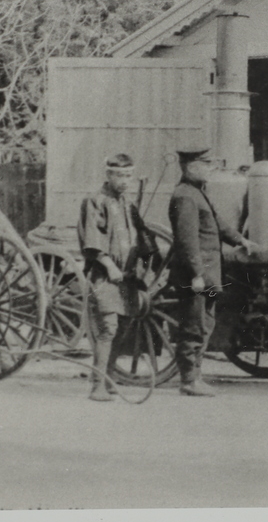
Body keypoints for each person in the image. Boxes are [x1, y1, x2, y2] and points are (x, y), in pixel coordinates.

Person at [167, 146, 257, 396]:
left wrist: (241, 240)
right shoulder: (185, 196)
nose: (209, 169)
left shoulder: (198, 193)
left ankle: (196, 376)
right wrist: (196, 274)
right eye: (205, 165)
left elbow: (217, 223)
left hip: (207, 275)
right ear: (190, 167)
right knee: (193, 327)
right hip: (195, 276)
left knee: (205, 325)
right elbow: (187, 242)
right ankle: (188, 380)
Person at [77, 153, 158, 402]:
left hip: (128, 277)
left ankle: (109, 378)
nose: (125, 181)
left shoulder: (127, 204)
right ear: (108, 175)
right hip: (105, 277)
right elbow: (91, 239)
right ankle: (96, 385)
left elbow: (143, 237)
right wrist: (108, 263)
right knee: (107, 329)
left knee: (123, 328)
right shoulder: (95, 201)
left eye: (128, 176)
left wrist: (146, 261)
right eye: (120, 176)